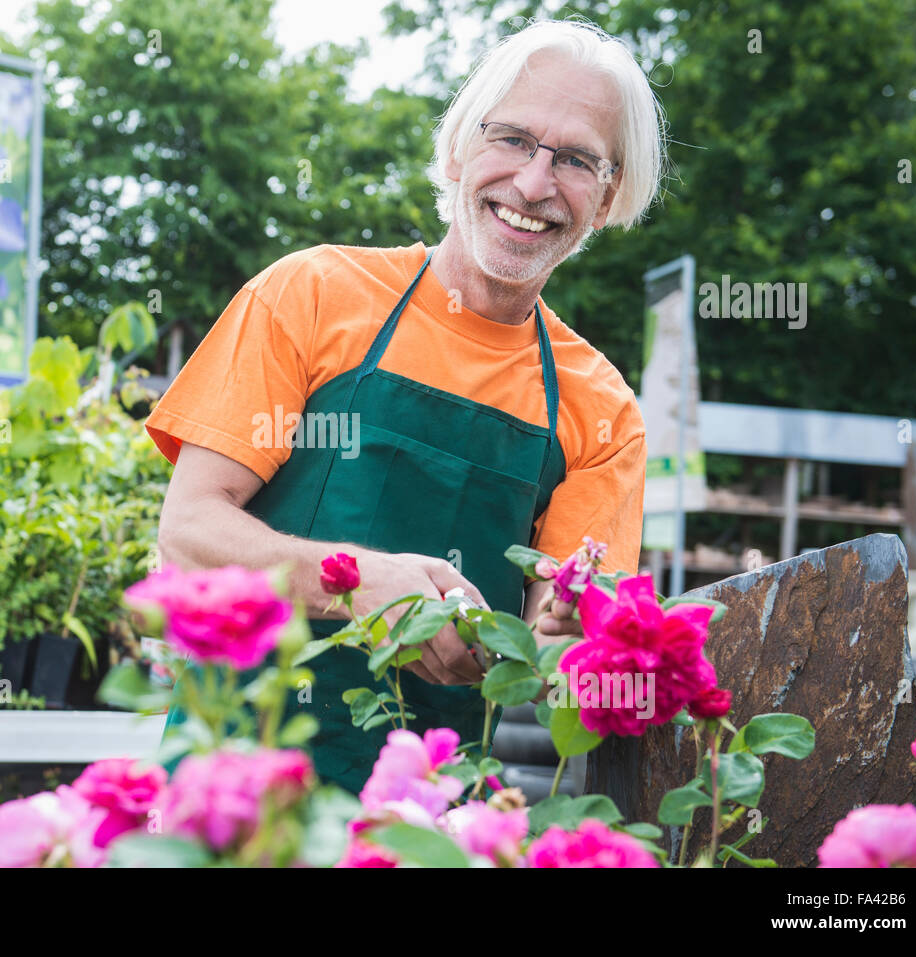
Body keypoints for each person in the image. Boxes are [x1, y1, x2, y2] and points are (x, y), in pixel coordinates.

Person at [143, 19, 664, 793]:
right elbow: (187, 537)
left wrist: (561, 644)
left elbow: (563, 657)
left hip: (430, 814)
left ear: (608, 194)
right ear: (458, 147)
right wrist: (360, 587)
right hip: (235, 791)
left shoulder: (603, 409)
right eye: (513, 138)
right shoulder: (311, 295)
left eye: (577, 159)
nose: (533, 184)